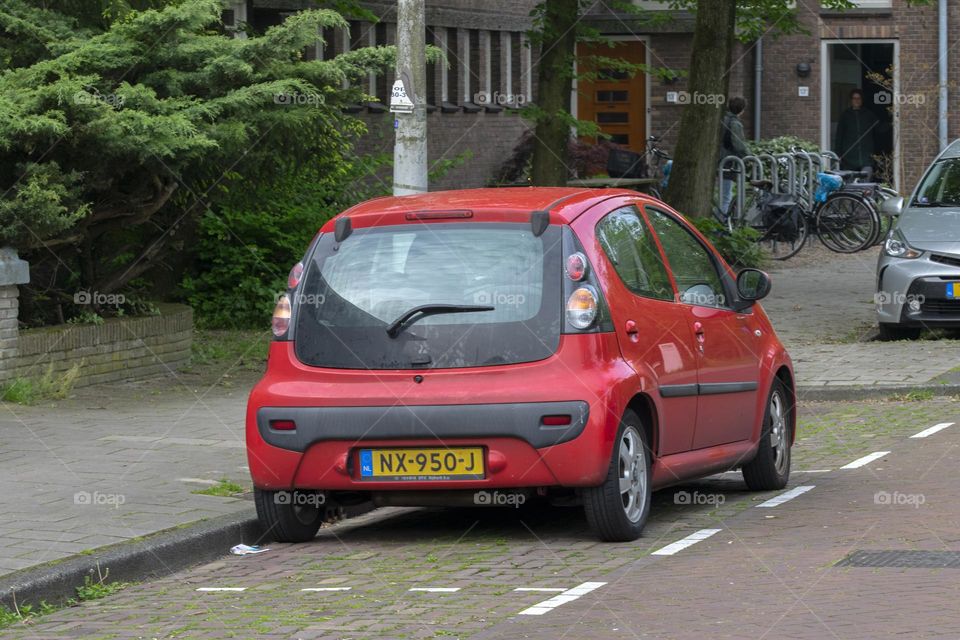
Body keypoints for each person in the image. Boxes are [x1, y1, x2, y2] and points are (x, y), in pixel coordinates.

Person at [834, 89, 878, 179]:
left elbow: (878, 130)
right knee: (849, 185)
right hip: (849, 158)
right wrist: (838, 154)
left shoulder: (869, 114)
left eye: (859, 98)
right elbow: (839, 136)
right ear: (851, 100)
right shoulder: (845, 115)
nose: (856, 100)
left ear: (862, 100)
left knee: (865, 184)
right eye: (854, 98)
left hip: (866, 157)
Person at [719, 97, 749, 217]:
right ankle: (720, 226)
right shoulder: (735, 123)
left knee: (725, 194)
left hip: (720, 159)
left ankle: (719, 222)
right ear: (741, 110)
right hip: (728, 162)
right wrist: (749, 157)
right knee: (726, 196)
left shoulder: (723, 119)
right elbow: (739, 145)